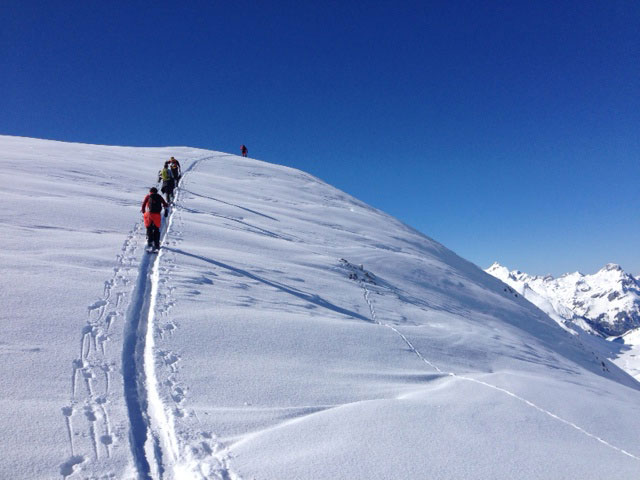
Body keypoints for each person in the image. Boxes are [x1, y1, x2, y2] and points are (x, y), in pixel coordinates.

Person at [141, 187, 169, 251]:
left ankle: (150, 242)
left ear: (150, 191)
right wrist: (166, 208)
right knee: (156, 229)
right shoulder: (159, 196)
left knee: (149, 227)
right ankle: (156, 244)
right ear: (156, 192)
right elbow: (165, 204)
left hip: (149, 214)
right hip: (157, 215)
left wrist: (144, 212)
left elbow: (143, 204)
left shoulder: (148, 196)